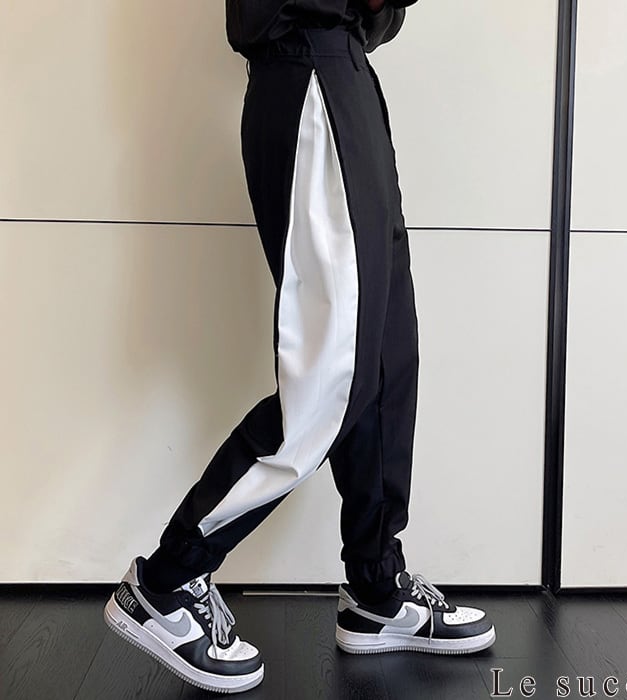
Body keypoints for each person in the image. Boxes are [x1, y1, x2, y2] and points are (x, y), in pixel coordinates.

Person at [103, 0, 496, 693]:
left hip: (346, 73)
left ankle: (376, 586)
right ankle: (166, 583)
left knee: (386, 359)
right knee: (328, 378)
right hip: (305, 68)